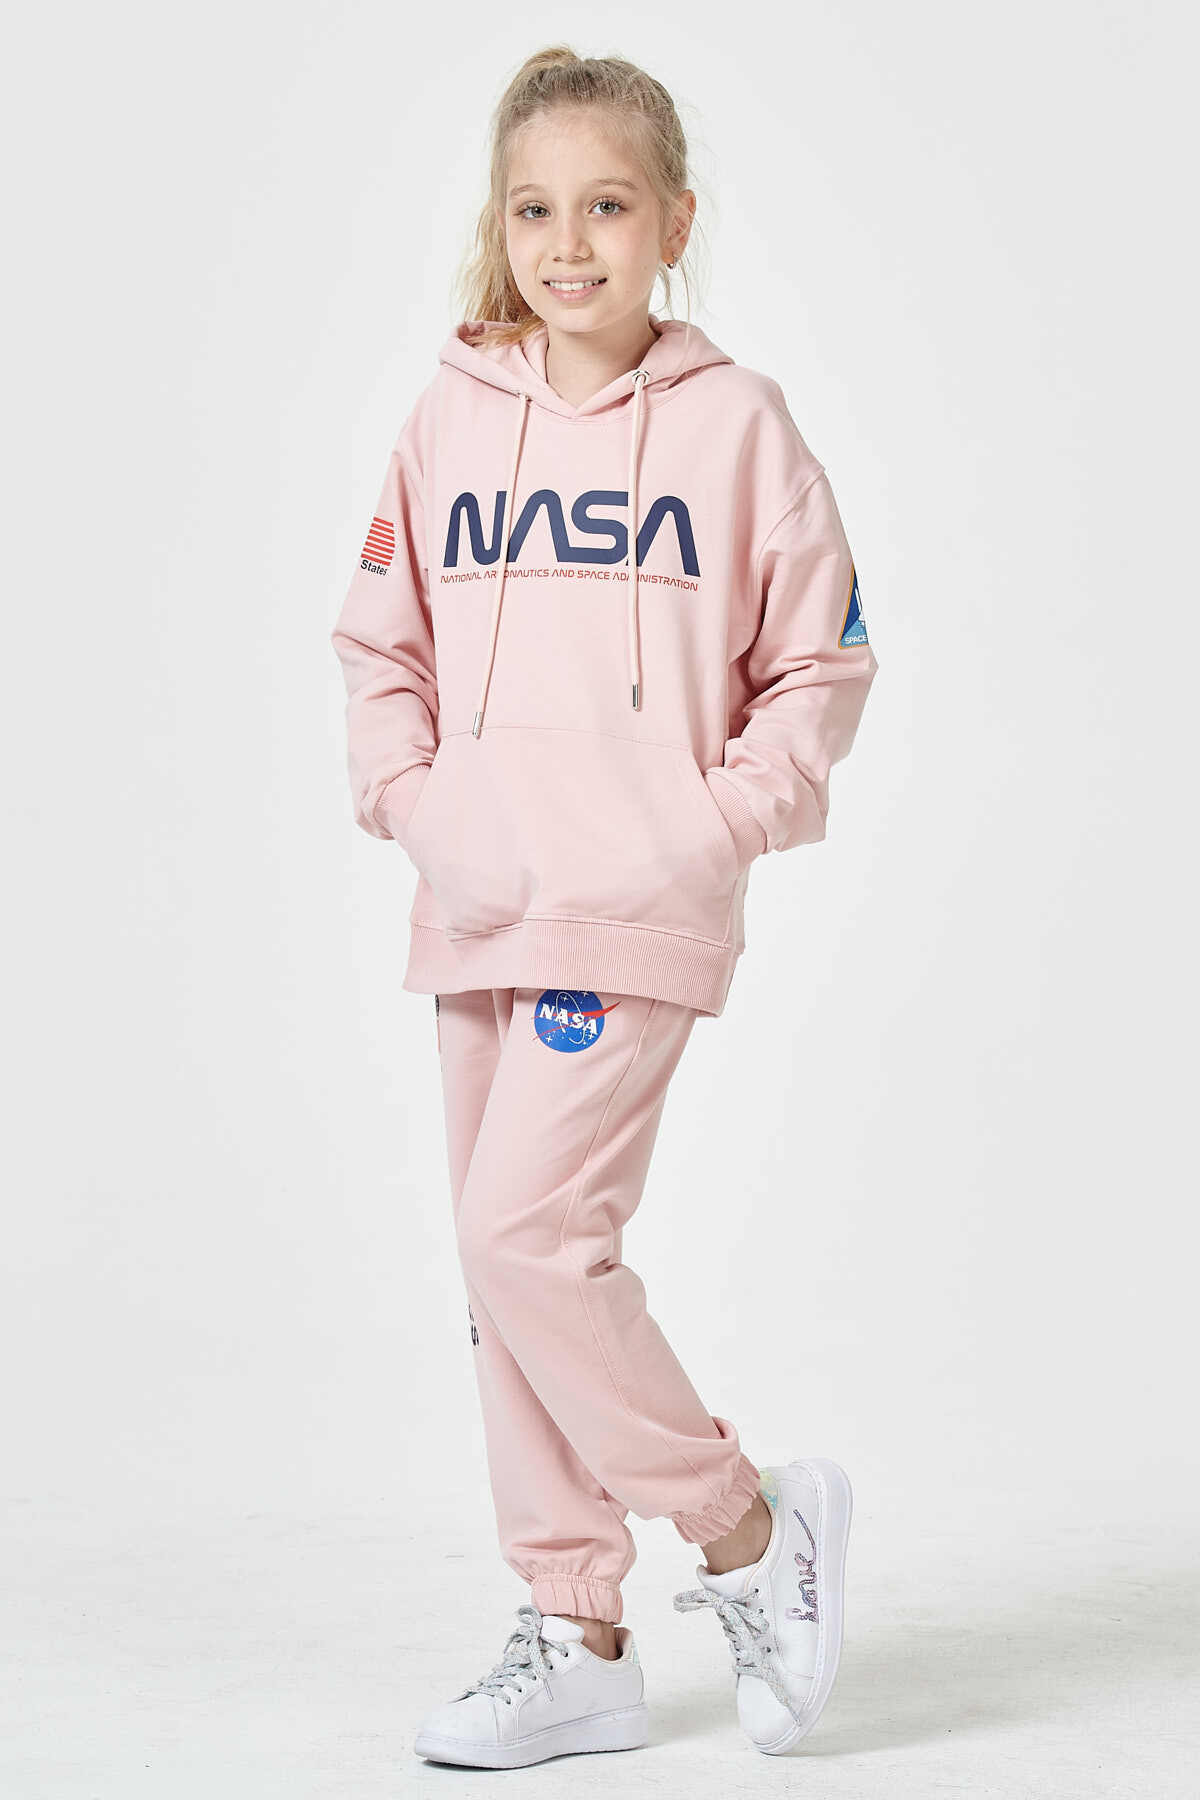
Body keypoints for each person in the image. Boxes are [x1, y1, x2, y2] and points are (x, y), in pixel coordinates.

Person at [331, 45, 878, 1770]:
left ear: (674, 226)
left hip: (634, 907)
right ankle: (575, 1629)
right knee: (505, 1275)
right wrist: (417, 805)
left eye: (608, 206)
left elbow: (822, 662)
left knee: (527, 1237)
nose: (570, 243)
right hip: (476, 901)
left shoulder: (736, 426)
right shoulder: (447, 416)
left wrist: (706, 833)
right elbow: (380, 642)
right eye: (536, 209)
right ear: (502, 229)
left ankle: (745, 1527)